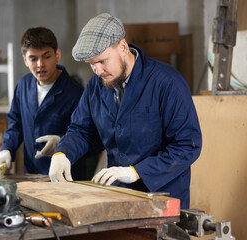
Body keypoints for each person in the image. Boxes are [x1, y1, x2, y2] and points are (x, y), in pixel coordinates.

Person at [48, 13, 202, 209]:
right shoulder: (96, 86)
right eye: (92, 65)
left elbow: (188, 145)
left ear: (122, 47)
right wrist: (63, 152)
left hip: (162, 198)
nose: (98, 71)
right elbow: (82, 131)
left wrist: (136, 172)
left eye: (102, 61)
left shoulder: (167, 83)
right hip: (118, 195)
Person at [0, 27, 85, 178]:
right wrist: (6, 150)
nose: (40, 64)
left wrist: (62, 142)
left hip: (66, 179)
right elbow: (15, 123)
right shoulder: (23, 86)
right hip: (32, 175)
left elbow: (85, 134)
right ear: (25, 60)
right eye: (33, 58)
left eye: (46, 56)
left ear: (57, 55)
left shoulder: (75, 93)